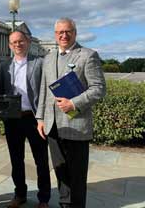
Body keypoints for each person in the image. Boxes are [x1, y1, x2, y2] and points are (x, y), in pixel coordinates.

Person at [36, 18, 106, 208]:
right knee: (61, 173)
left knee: (77, 175)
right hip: (52, 126)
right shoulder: (48, 58)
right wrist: (40, 118)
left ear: (75, 33)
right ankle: (64, 204)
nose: (64, 35)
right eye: (60, 32)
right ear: (55, 35)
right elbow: (44, 90)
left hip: (76, 126)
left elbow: (99, 88)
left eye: (68, 31)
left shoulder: (88, 55)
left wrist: (74, 104)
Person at [0, 30, 51, 208]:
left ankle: (43, 198)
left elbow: (46, 91)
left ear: (27, 42)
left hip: (35, 118)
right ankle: (19, 194)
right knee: (16, 159)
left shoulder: (39, 63)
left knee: (41, 160)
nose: (17, 45)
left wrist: (43, 116)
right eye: (14, 42)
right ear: (9, 45)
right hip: (13, 119)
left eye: (20, 41)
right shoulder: (4, 66)